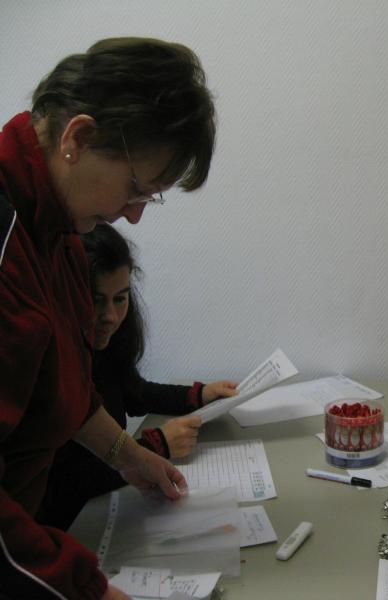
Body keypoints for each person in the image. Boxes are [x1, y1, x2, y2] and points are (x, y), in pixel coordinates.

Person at [0, 38, 216, 600]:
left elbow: (64, 387)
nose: (135, 216)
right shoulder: (6, 246)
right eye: (136, 189)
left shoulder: (61, 233)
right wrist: (86, 591)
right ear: (78, 138)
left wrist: (128, 455)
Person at [37, 224, 238, 531]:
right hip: (66, 528)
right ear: (68, 295)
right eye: (96, 299)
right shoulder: (50, 367)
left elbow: (134, 392)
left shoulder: (103, 347)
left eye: (120, 299)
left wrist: (198, 395)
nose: (110, 315)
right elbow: (63, 484)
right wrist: (155, 445)